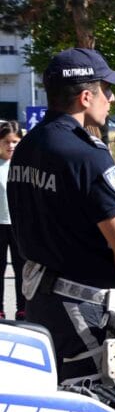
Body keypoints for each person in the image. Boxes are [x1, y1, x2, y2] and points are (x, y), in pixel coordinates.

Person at [8, 48, 115, 382]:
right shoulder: (86, 155)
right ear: (86, 96)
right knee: (95, 404)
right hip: (83, 309)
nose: (111, 99)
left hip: (40, 301)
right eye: (107, 90)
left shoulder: (26, 146)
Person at [0, 120, 26, 320]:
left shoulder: (24, 165)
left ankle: (22, 308)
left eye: (15, 142)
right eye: (7, 142)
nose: (11, 146)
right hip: (0, 224)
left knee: (22, 269)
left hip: (18, 224)